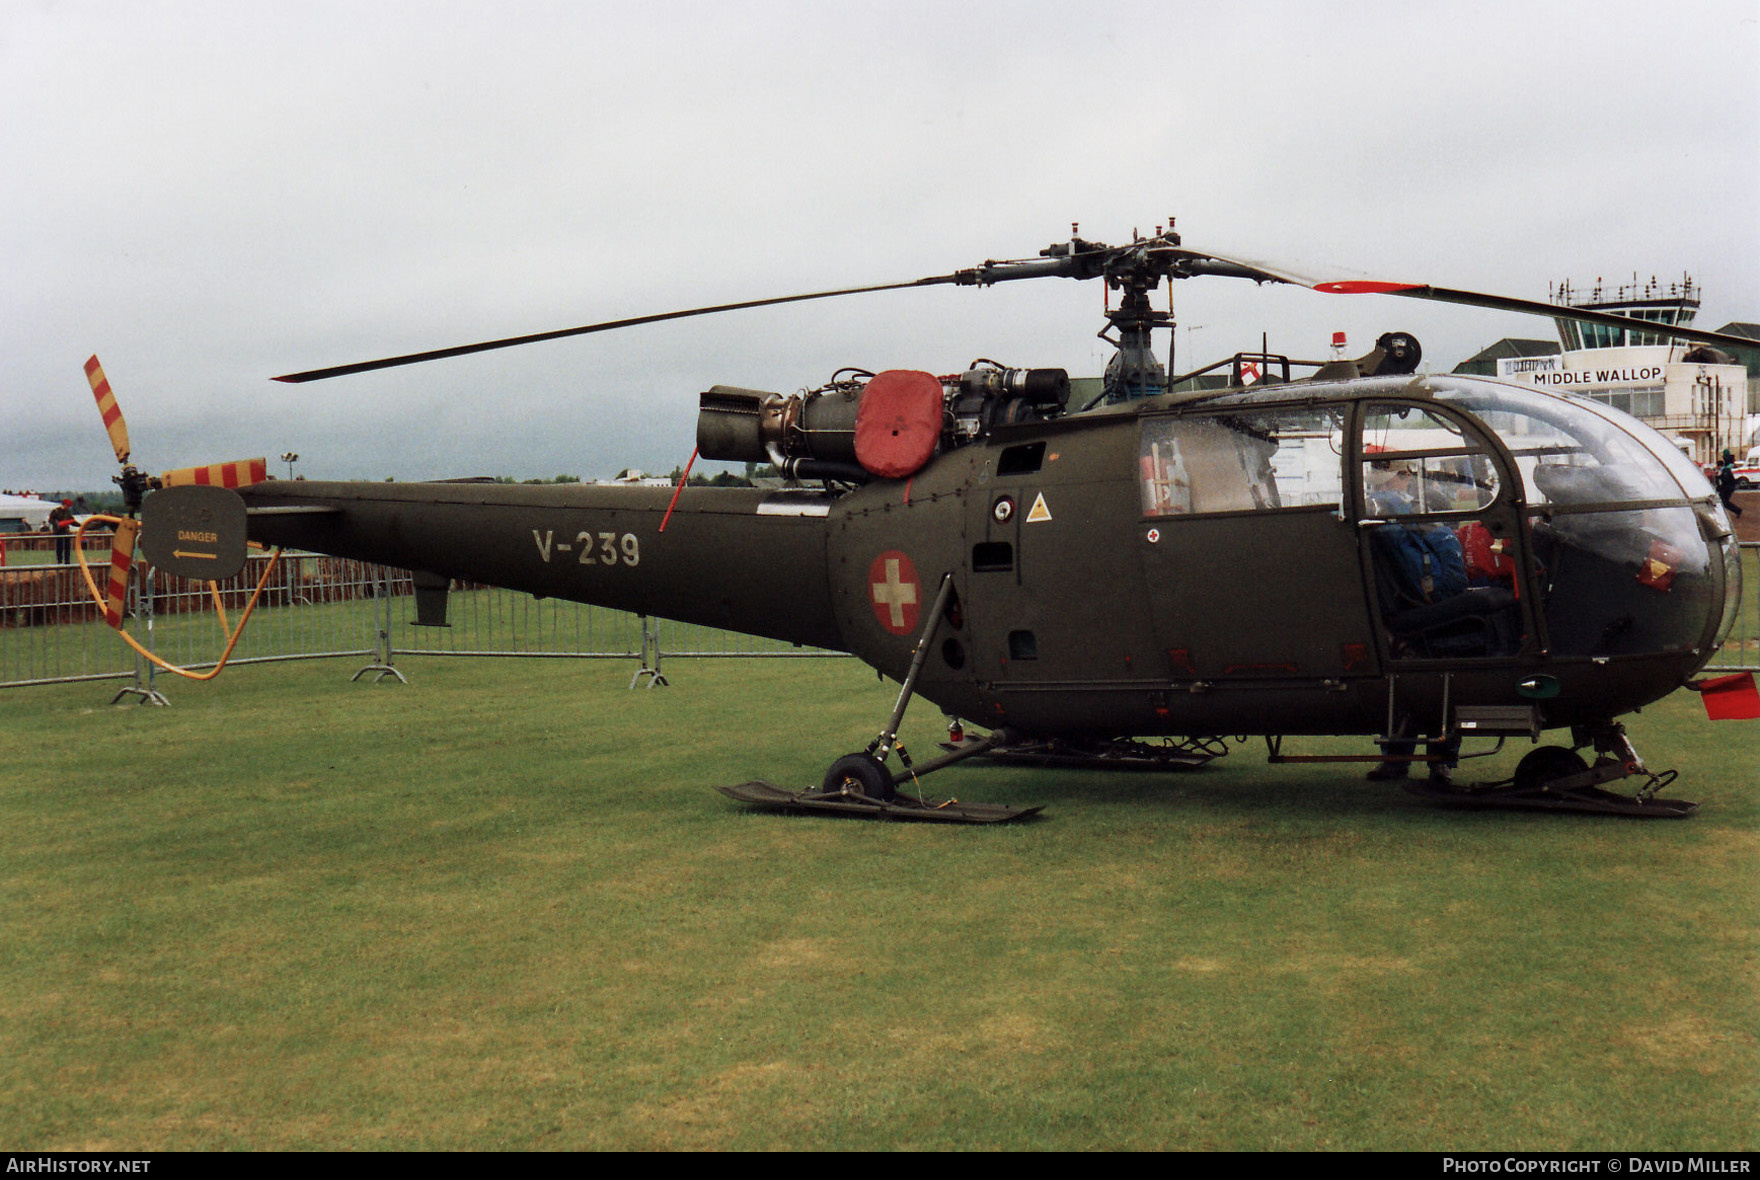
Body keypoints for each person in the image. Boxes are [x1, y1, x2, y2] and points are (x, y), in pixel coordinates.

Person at [1716, 450, 1743, 519]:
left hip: (1727, 488)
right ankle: (1737, 511)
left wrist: (1719, 478)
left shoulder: (1726, 470)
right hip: (1728, 488)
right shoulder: (1727, 468)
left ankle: (1737, 511)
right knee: (1724, 502)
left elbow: (1726, 480)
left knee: (1723, 502)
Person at [48, 500, 74, 564]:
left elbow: (72, 520)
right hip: (58, 532)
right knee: (59, 547)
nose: (68, 507)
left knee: (67, 547)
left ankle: (67, 562)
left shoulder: (67, 512)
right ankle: (59, 561)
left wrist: (81, 525)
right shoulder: (55, 511)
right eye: (68, 506)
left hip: (66, 532)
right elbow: (50, 520)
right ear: (64, 504)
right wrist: (57, 524)